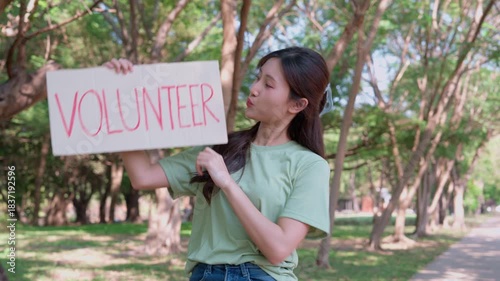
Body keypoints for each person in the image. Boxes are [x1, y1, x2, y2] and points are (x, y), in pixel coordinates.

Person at [104, 46, 331, 281]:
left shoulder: (310, 166)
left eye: (268, 85)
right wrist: (122, 97)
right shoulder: (221, 149)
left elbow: (278, 249)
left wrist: (227, 183)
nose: (253, 89)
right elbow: (143, 176)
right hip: (205, 274)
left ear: (297, 105)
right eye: (257, 78)